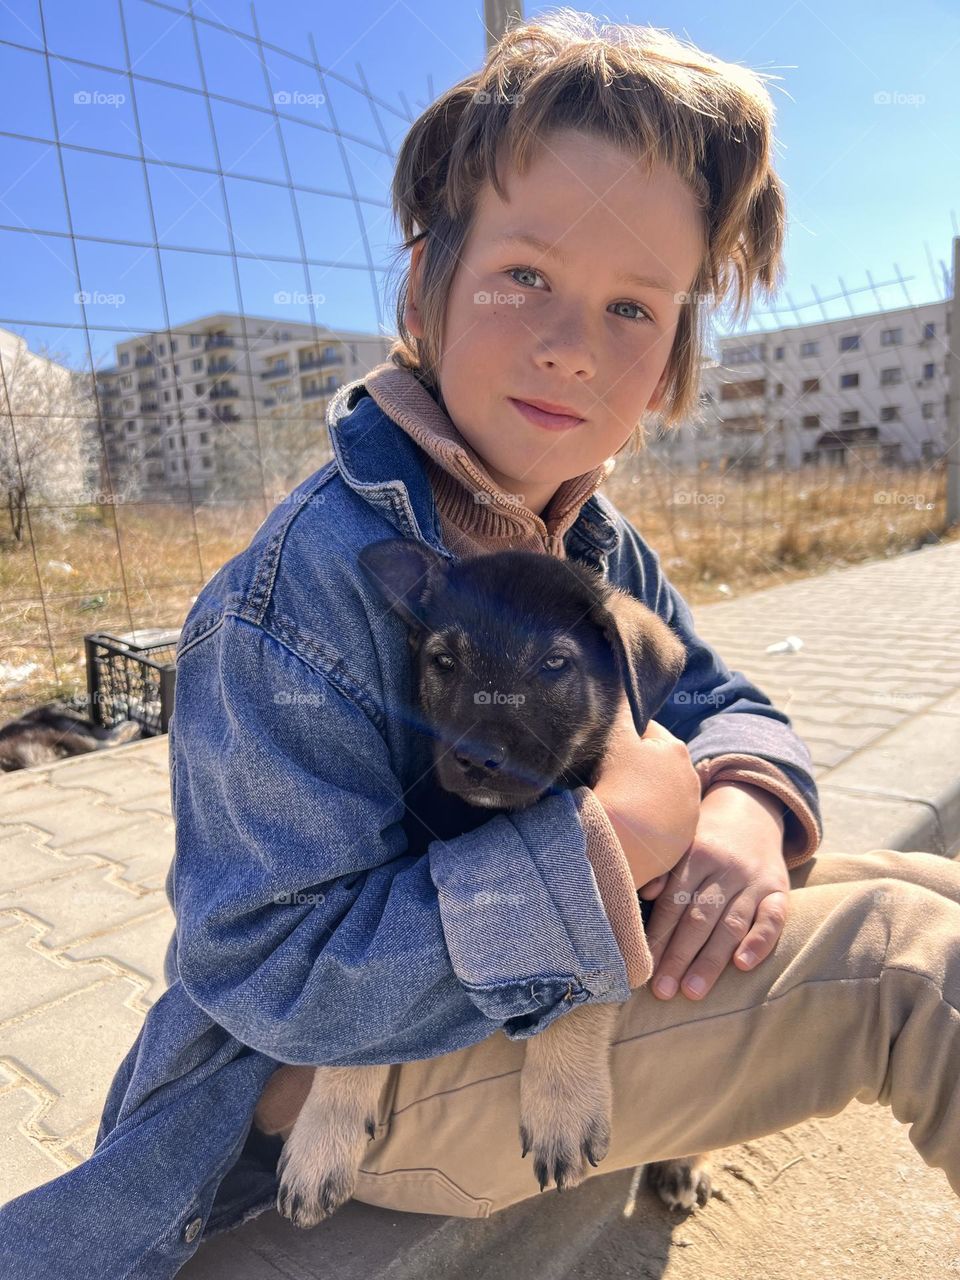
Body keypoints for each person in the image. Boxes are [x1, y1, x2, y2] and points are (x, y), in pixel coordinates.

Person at [2, 10, 959, 1278]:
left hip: (531, 983)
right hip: (333, 1070)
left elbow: (725, 695)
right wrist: (616, 843)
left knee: (932, 894)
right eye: (525, 275)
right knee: (915, 969)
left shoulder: (592, 543)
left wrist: (741, 805)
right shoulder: (300, 593)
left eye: (635, 303)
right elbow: (276, 975)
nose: (574, 341)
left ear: (679, 344)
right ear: (423, 284)